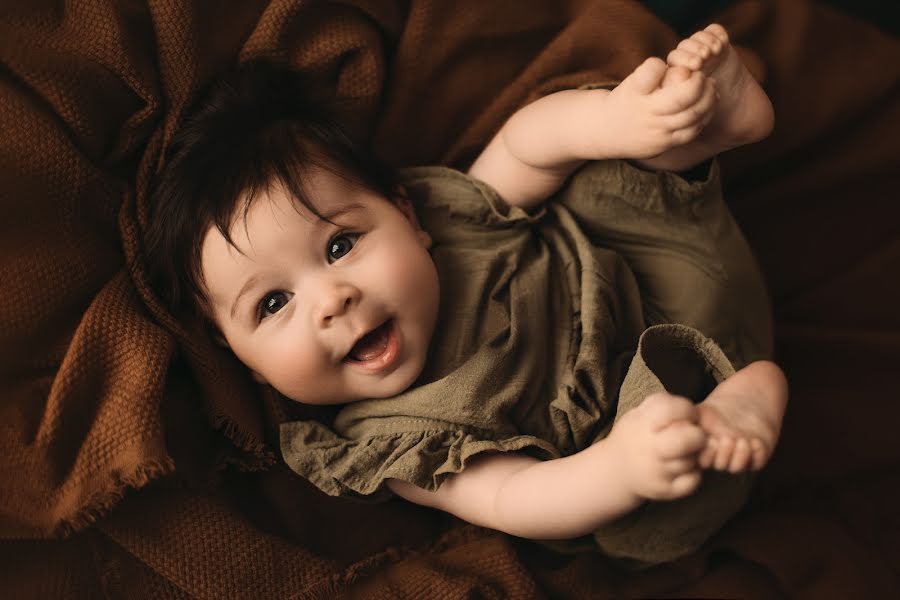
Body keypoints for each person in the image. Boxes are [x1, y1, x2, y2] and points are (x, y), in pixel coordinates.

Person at [144, 24, 787, 564]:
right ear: (238, 358)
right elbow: (517, 498)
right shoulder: (393, 441)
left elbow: (525, 147)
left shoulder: (452, 222)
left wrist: (616, 122)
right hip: (664, 420)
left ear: (408, 215)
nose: (332, 300)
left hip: (666, 270)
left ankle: (707, 127)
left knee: (587, 175)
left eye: (340, 246)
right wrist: (621, 468)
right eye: (273, 304)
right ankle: (741, 400)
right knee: (633, 528)